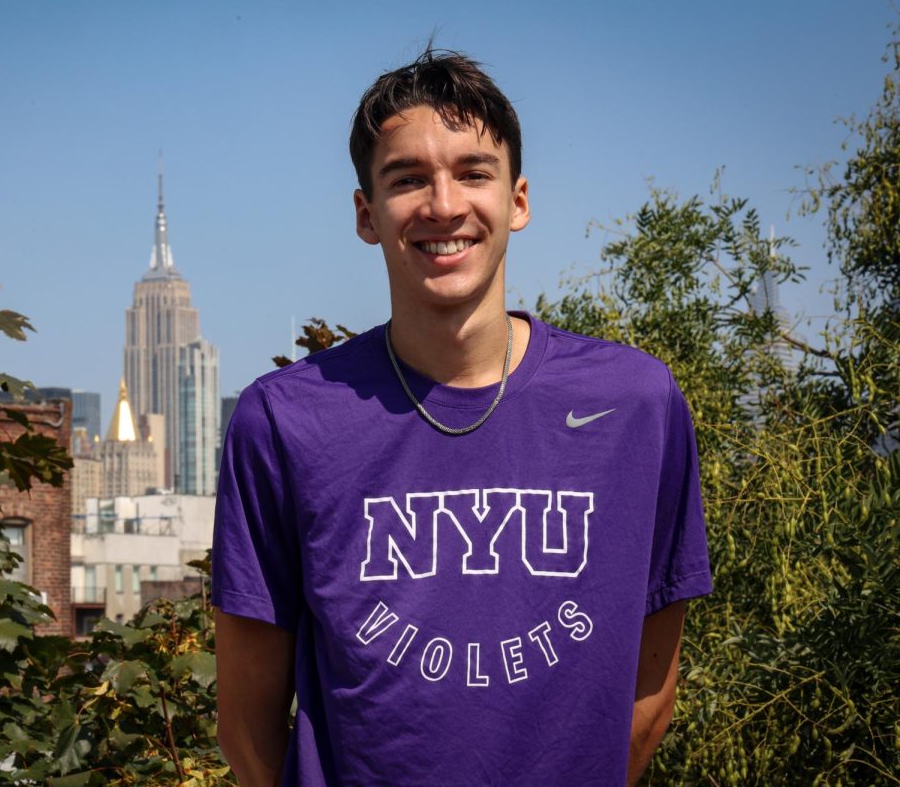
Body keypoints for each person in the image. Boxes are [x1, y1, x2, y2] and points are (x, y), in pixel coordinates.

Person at [211, 48, 712, 787]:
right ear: (366, 215)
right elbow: (247, 727)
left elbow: (647, 694)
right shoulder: (283, 421)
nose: (444, 205)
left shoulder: (637, 405)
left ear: (518, 200)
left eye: (474, 172)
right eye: (408, 178)